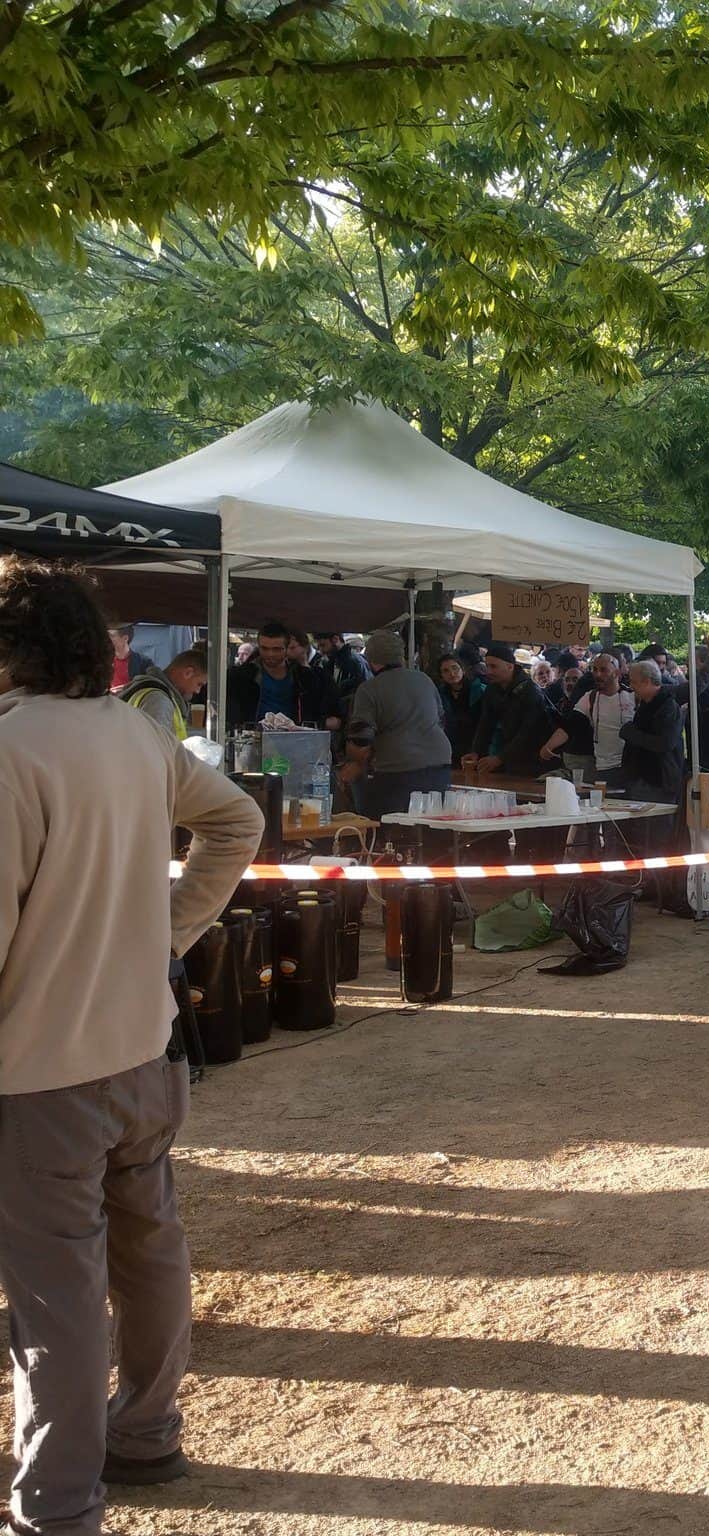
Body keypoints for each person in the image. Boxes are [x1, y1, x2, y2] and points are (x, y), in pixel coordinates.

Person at [0, 558, 265, 1535]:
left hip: (42, 1076)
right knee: (148, 1252)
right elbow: (236, 819)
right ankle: (146, 1432)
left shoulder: (10, 751)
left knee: (55, 1298)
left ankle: (58, 1505)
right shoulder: (137, 733)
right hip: (145, 1056)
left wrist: (172, 928)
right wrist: (169, 928)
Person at [341, 630, 455, 819]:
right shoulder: (424, 679)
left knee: (393, 826)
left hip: (398, 768)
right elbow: (441, 719)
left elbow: (361, 737)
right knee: (433, 824)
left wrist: (355, 764)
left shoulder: (369, 689)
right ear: (400, 656)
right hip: (439, 762)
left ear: (371, 660)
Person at [463, 641, 554, 778]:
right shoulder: (493, 689)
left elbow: (528, 732)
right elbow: (485, 723)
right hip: (510, 756)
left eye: (494, 666)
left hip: (536, 759)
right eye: (487, 666)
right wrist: (476, 751)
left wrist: (500, 758)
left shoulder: (531, 692)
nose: (489, 671)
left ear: (510, 666)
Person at [225, 619, 337, 731]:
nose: (270, 654)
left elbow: (327, 714)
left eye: (277, 649)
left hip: (294, 739)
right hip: (253, 738)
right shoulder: (241, 676)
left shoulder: (304, 677)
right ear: (258, 647)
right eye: (264, 648)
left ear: (287, 648)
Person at [544, 650, 633, 784]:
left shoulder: (632, 697)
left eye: (604, 670)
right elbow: (570, 725)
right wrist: (548, 746)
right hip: (603, 768)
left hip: (629, 768)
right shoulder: (590, 697)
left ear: (617, 673)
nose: (598, 674)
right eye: (595, 669)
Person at [618, 660, 686, 804]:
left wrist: (632, 734)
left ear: (647, 682)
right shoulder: (646, 704)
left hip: (658, 780)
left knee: (656, 824)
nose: (631, 687)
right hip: (641, 777)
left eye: (634, 682)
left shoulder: (667, 706)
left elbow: (665, 743)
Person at [117, 648, 205, 741]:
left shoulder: (151, 693)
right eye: (199, 684)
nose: (197, 691)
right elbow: (154, 749)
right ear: (188, 673)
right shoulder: (159, 701)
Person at [435, 654, 487, 769]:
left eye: (455, 668)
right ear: (441, 675)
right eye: (446, 671)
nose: (452, 674)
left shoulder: (480, 690)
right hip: (449, 746)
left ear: (462, 669)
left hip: (475, 745)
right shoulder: (440, 694)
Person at [312, 632, 370, 711]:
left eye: (323, 645)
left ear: (335, 639)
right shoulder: (329, 662)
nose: (321, 651)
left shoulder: (354, 662)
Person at [107, 623, 137, 691]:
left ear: (125, 638)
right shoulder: (104, 661)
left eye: (112, 636)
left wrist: (123, 689)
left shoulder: (142, 662)